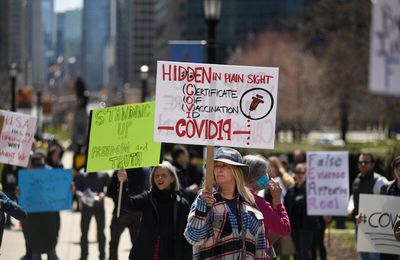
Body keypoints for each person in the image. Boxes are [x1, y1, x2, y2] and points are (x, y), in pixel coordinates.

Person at [184, 147, 268, 259]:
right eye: (216, 166)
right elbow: (194, 238)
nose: (219, 169)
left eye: (224, 165)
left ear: (236, 171)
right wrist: (201, 209)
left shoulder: (250, 205)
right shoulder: (205, 200)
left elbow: (260, 252)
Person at [118, 161, 192, 259]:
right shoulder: (147, 197)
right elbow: (127, 204)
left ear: (172, 178)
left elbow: (186, 237)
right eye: (156, 175)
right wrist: (123, 182)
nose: (159, 178)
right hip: (145, 254)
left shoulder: (182, 204)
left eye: (163, 175)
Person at [242, 154, 291, 258]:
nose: (268, 178)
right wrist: (278, 201)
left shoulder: (230, 194)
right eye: (265, 174)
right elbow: (284, 228)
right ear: (255, 177)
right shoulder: (258, 202)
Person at [20, 151, 61, 260]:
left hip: (45, 220)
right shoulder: (27, 176)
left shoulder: (30, 175)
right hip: (38, 220)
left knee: (46, 251)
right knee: (39, 251)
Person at [349, 153, 388, 260]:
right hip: (360, 227)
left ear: (373, 164)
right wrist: (350, 207)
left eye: (366, 162)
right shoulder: (356, 181)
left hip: (376, 229)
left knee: (374, 257)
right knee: (364, 257)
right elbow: (353, 196)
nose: (362, 164)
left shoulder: (380, 181)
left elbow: (388, 202)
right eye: (360, 162)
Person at [106, 167, 150, 260]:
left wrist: (118, 198)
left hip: (120, 213)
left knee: (114, 243)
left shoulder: (118, 172)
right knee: (137, 244)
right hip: (136, 213)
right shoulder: (141, 171)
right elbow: (145, 189)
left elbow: (109, 192)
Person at [285, 163, 319, 260]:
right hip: (294, 226)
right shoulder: (291, 190)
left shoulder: (311, 189)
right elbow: (286, 207)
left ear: (306, 173)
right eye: (297, 172)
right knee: (297, 253)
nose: (299, 174)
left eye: (302, 172)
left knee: (305, 253)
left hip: (307, 226)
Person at [264, 156, 295, 260]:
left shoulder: (281, 181)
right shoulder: (266, 183)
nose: (269, 170)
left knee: (283, 252)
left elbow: (282, 201)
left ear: (276, 168)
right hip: (272, 220)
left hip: (280, 217)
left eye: (271, 167)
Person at [75, 169, 110, 260]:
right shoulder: (81, 174)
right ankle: (84, 255)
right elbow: (77, 188)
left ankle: (102, 255)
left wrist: (103, 193)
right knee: (84, 231)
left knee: (101, 231)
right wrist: (79, 194)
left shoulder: (104, 174)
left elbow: (110, 187)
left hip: (99, 207)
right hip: (86, 207)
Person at [379, 156, 400, 260]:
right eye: (397, 168)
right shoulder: (387, 188)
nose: (399, 171)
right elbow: (378, 210)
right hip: (388, 237)